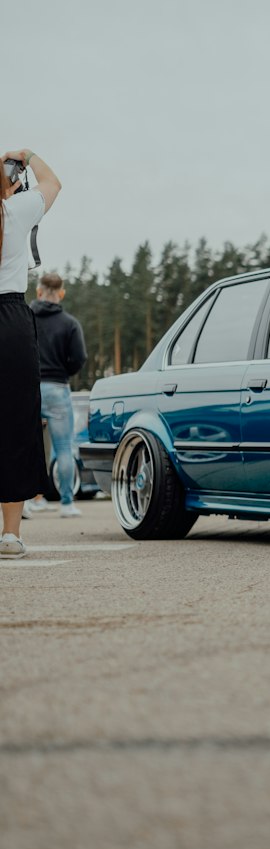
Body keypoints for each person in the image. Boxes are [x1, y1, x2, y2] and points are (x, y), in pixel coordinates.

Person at [0, 150, 63, 559]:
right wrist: (28, 155)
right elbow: (53, 183)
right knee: (14, 422)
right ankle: (9, 535)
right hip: (8, 319)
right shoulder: (17, 209)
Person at [30, 270, 87, 517]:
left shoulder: (26, 318)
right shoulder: (70, 323)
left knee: (26, 447)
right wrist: (64, 371)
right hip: (57, 388)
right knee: (64, 447)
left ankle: (30, 501)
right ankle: (66, 503)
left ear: (39, 292)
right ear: (61, 293)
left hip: (29, 387)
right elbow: (79, 358)